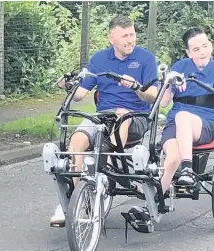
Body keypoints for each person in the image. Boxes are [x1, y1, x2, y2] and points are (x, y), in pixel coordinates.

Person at [128, 27, 214, 228]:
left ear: (210, 45)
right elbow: (163, 103)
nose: (202, 52)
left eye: (205, 46)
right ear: (189, 52)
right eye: (196, 49)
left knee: (183, 116)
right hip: (175, 124)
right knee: (171, 157)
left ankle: (187, 170)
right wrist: (168, 81)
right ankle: (152, 206)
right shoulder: (180, 66)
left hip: (204, 125)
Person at [50, 14, 159, 225]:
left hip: (135, 117)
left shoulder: (145, 58)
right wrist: (67, 86)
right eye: (125, 36)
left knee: (120, 114)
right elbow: (81, 94)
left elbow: (154, 95)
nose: (130, 40)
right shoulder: (99, 60)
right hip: (102, 116)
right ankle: (75, 198)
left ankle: (105, 169)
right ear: (112, 39)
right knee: (77, 141)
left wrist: (136, 86)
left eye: (132, 34)